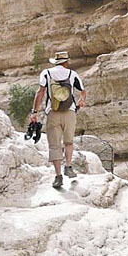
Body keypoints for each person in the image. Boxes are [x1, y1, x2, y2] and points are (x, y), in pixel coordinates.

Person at [30, 50, 87, 188]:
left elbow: (40, 93)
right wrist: (81, 101)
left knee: (54, 145)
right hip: (70, 112)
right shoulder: (72, 74)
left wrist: (34, 111)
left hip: (53, 113)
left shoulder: (46, 73)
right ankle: (68, 166)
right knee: (68, 142)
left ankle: (58, 176)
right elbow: (83, 92)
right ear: (66, 62)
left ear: (55, 62)